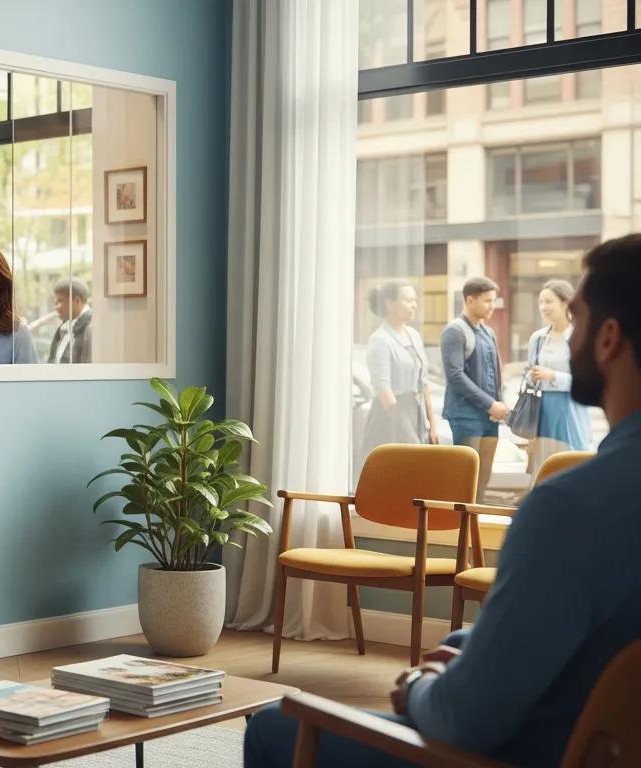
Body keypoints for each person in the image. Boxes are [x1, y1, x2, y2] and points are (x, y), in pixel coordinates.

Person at [243, 233, 641, 767]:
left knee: (273, 726)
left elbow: (462, 721)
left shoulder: (569, 510)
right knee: (459, 640)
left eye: (578, 319)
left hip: (529, 752)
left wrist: (418, 686)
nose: (568, 339)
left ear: (609, 339)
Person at [358, 281, 440, 474]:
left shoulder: (413, 335)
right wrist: (405, 429)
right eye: (408, 300)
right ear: (390, 304)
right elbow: (383, 389)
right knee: (395, 472)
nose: (414, 305)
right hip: (390, 417)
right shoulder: (380, 339)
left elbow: (424, 383)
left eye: (415, 300)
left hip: (415, 412)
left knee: (415, 472)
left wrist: (432, 426)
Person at [440, 276, 508, 502]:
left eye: (493, 301)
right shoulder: (454, 331)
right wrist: (490, 404)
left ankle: (475, 521)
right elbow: (455, 376)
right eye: (487, 301)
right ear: (470, 300)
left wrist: (499, 404)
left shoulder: (488, 332)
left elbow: (495, 373)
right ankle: (458, 523)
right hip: (466, 415)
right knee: (465, 478)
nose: (492, 306)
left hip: (490, 417)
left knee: (483, 478)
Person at [525, 279, 591, 473]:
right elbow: (527, 374)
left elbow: (585, 380)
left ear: (565, 303)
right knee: (544, 465)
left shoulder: (580, 336)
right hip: (542, 409)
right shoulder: (538, 338)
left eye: (548, 301)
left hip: (571, 407)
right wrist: (532, 377)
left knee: (571, 462)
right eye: (541, 302)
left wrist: (553, 375)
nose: (543, 307)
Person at [47, 278, 93, 364]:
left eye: (60, 301)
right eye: (55, 303)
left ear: (77, 301)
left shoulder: (90, 329)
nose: (56, 307)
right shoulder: (64, 328)